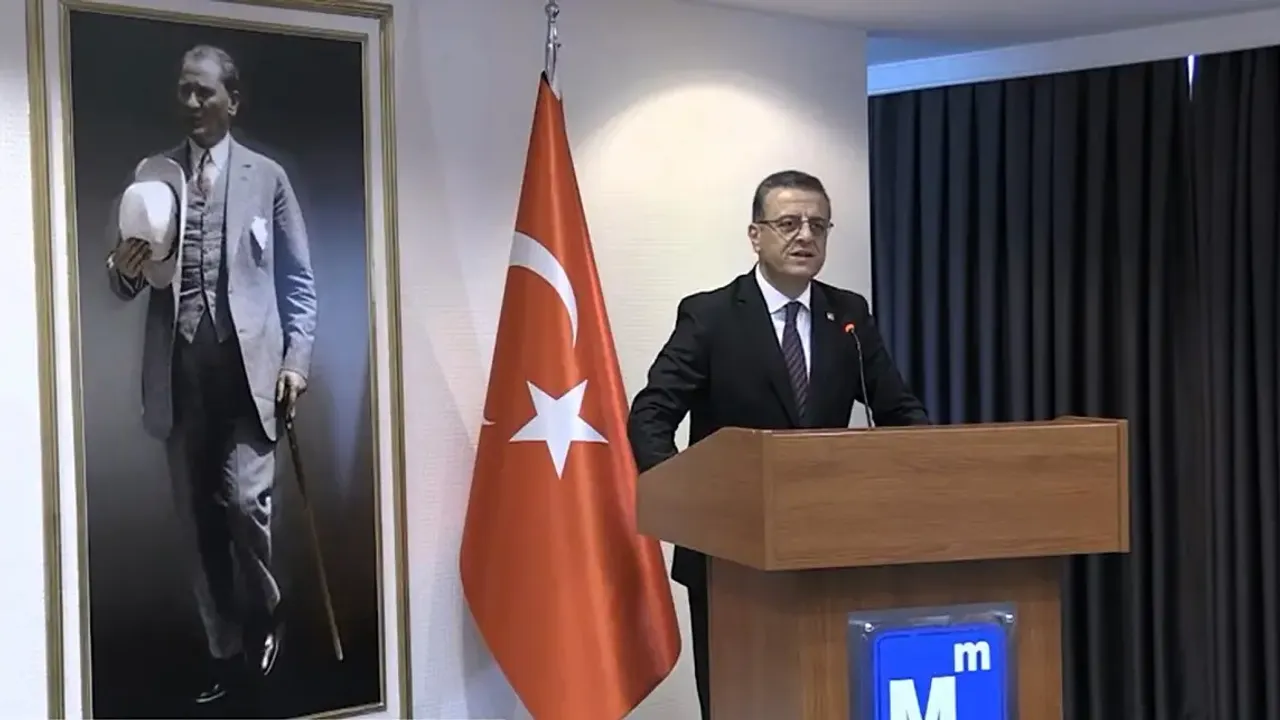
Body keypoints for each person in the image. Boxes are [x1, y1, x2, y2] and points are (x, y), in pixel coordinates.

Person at [626, 169, 928, 718]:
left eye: (818, 225)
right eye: (789, 223)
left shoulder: (848, 315)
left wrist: (926, 472)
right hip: (729, 554)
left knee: (826, 697)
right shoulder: (711, 316)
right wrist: (689, 504)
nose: (805, 236)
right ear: (755, 234)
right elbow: (651, 414)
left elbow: (899, 411)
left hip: (829, 545)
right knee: (740, 702)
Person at [106, 44, 317, 706]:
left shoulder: (267, 178)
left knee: (247, 508)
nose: (192, 102)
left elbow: (299, 282)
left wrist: (296, 362)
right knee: (199, 525)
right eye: (184, 91)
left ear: (233, 100)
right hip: (180, 379)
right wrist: (124, 269)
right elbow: (125, 279)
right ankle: (223, 654)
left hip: (249, 378)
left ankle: (268, 612)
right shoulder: (154, 176)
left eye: (204, 92)